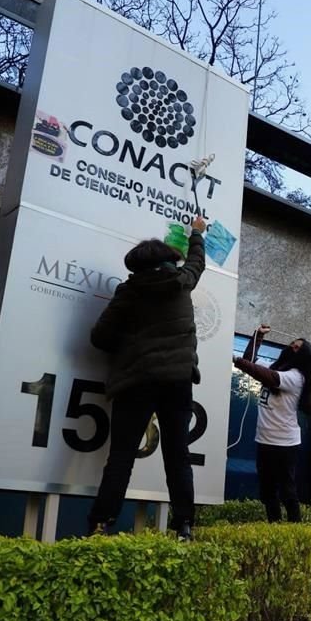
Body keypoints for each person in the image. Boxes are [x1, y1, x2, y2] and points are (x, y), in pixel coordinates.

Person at [87, 216, 207, 541]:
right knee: (177, 455)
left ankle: (102, 524)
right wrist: (197, 233)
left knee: (122, 455)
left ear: (137, 266)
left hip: (135, 381)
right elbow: (197, 262)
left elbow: (99, 337)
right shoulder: (183, 281)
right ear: (168, 259)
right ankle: (184, 526)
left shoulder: (129, 292)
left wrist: (129, 344)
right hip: (177, 380)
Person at [233, 325, 311, 522]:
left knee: (287, 491)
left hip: (285, 444)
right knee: (267, 491)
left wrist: (237, 362)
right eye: (292, 344)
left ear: (303, 357)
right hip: (264, 440)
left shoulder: (297, 377)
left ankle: (295, 528)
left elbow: (268, 377)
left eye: (297, 348)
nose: (291, 347)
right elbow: (251, 361)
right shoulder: (276, 368)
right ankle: (274, 526)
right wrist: (258, 336)